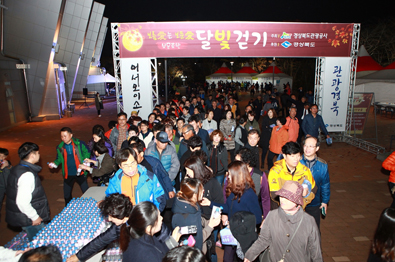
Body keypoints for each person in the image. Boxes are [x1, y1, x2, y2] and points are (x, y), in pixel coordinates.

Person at [244, 181, 322, 262]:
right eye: (282, 196)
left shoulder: (308, 221)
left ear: (297, 201)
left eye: (288, 198)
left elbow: (315, 249)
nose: (283, 200)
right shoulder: (272, 216)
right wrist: (250, 255)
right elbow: (264, 240)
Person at [201, 161, 262, 262]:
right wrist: (210, 203)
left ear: (237, 176)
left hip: (244, 237)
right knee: (227, 259)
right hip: (232, 232)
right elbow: (227, 207)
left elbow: (257, 218)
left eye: (229, 174)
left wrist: (236, 224)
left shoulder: (249, 194)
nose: (227, 176)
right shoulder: (234, 190)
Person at [66, 193, 133, 262]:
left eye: (111, 216)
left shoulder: (140, 225)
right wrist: (78, 256)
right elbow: (101, 241)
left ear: (122, 216)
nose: (109, 219)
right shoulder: (119, 226)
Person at [6, 142, 50, 241]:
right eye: (38, 153)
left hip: (25, 216)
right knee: (38, 244)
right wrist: (34, 217)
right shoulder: (27, 175)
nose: (39, 155)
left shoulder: (18, 168)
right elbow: (22, 202)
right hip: (30, 219)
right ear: (32, 155)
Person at [172, 178, 220, 253]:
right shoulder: (188, 218)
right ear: (194, 195)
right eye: (201, 191)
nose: (203, 191)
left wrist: (208, 222)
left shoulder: (185, 203)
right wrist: (210, 226)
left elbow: (198, 221)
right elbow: (197, 242)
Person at [268, 142, 317, 210]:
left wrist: (302, 204)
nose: (296, 159)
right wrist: (289, 206)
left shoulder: (305, 171)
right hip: (280, 210)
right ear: (284, 156)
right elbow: (274, 194)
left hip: (299, 210)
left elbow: (313, 189)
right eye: (292, 156)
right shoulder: (275, 171)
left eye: (298, 156)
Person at [48, 127, 90, 205]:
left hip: (80, 172)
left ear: (71, 135)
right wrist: (54, 164)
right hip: (68, 173)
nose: (63, 138)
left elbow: (87, 153)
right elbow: (59, 159)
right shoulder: (60, 147)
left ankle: (90, 207)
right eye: (61, 136)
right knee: (67, 195)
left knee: (86, 192)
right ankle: (68, 209)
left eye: (65, 136)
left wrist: (84, 162)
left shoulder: (79, 144)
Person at [300, 136, 330, 229]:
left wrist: (325, 201)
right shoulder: (296, 162)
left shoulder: (322, 165)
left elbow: (325, 184)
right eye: (305, 145)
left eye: (311, 146)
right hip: (298, 203)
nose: (307, 148)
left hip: (314, 203)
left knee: (314, 230)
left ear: (317, 148)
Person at [235, 148, 270, 219]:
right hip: (236, 213)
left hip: (253, 214)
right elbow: (226, 194)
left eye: (239, 162)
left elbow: (265, 198)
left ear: (248, 162)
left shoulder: (259, 176)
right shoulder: (233, 173)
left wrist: (266, 218)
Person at [0, 147, 11, 220]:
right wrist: (1, 169)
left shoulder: (7, 162)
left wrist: (9, 166)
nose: (2, 158)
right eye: (0, 156)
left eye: (4, 156)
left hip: (7, 186)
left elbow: (12, 172)